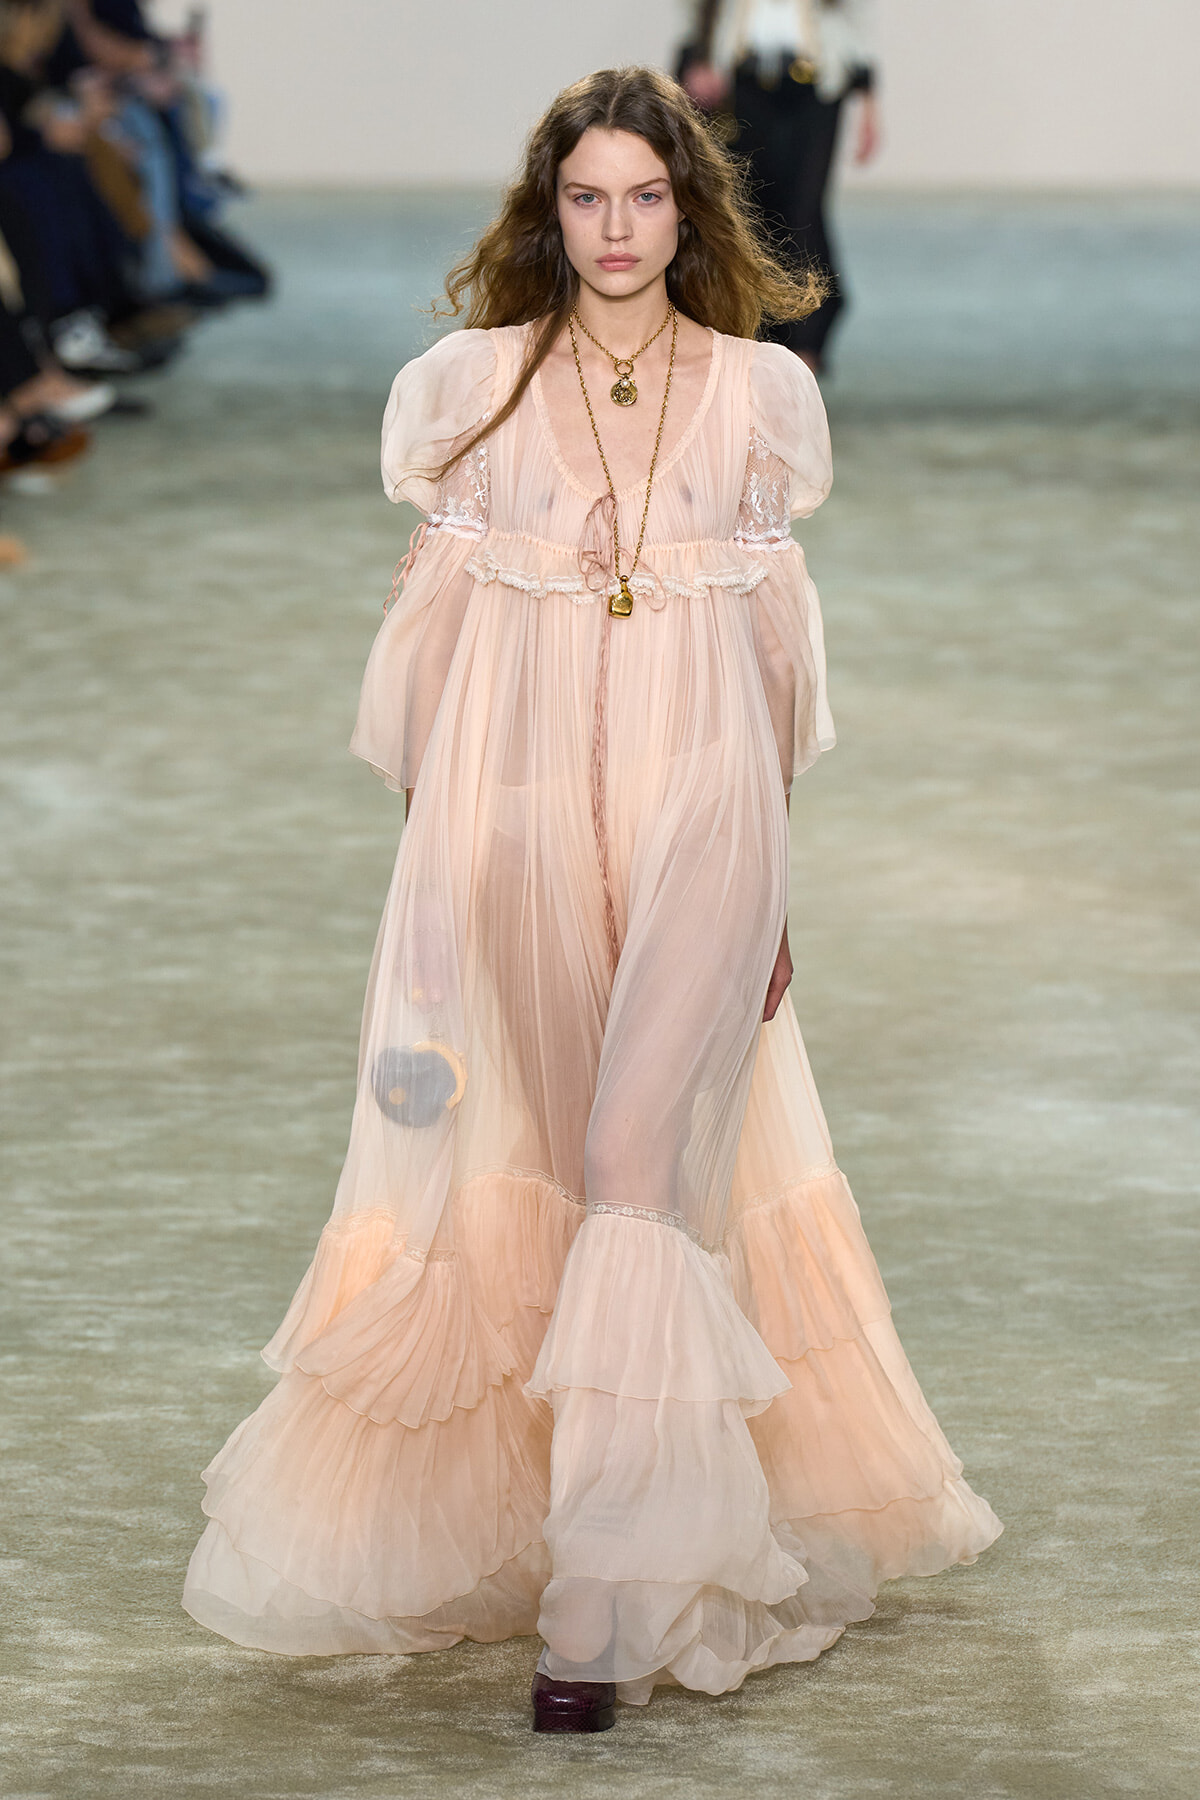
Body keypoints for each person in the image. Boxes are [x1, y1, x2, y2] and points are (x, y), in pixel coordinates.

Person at [182, 66, 1000, 1733]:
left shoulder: (763, 395)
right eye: (586, 198)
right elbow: (428, 652)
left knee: (635, 1166)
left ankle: (605, 1599)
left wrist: (771, 891)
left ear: (688, 208)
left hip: (708, 809)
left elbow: (777, 653)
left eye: (645, 197)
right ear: (545, 212)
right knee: (545, 1169)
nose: (616, 229)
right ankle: (564, 1523)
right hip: (520, 821)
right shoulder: (465, 392)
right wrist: (436, 876)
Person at [679, 0, 879, 371]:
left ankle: (806, 341)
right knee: (751, 209)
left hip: (816, 91)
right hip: (744, 90)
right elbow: (705, 14)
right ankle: (759, 334)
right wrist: (699, 61)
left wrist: (869, 103)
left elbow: (855, 23)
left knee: (804, 209)